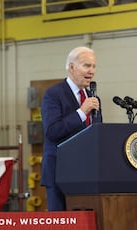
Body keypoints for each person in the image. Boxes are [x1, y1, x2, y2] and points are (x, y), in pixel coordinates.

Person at [41, 46, 102, 211]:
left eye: (94, 66)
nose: (92, 71)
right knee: (61, 228)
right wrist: (81, 112)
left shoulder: (93, 98)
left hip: (87, 173)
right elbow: (52, 131)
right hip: (59, 173)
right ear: (72, 67)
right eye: (87, 66)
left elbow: (97, 135)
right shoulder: (53, 94)